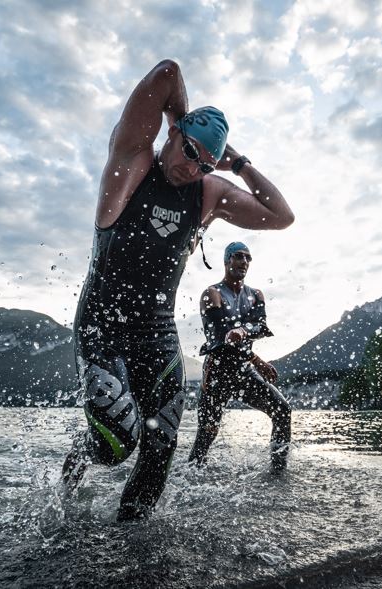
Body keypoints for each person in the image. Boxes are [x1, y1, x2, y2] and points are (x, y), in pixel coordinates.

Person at [61, 59, 294, 521]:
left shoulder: (207, 194)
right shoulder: (132, 162)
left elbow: (280, 215)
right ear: (172, 135)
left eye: (204, 162)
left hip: (157, 330)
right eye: (188, 152)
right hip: (103, 323)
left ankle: (134, 545)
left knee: (162, 439)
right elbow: (167, 73)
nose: (192, 167)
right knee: (116, 444)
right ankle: (78, 460)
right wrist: (177, 122)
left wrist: (240, 164)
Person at [188, 242, 291, 472]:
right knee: (206, 436)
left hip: (244, 370)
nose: (244, 262)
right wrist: (253, 355)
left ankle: (278, 472)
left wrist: (246, 337)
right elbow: (219, 339)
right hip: (217, 372)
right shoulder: (211, 294)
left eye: (248, 258)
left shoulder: (255, 295)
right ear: (226, 261)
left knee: (282, 410)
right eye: (238, 256)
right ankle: (190, 480)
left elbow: (260, 327)